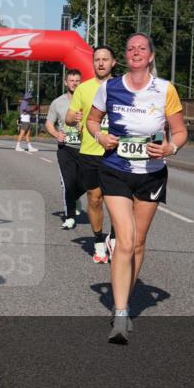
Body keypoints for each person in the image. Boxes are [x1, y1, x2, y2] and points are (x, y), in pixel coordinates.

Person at [86, 33, 187, 343]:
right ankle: (119, 314)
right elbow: (92, 120)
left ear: (151, 56)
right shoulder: (110, 87)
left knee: (139, 243)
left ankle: (124, 302)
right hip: (116, 170)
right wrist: (100, 137)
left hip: (152, 174)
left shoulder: (165, 90)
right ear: (125, 57)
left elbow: (180, 131)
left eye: (142, 49)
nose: (136, 53)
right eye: (130, 49)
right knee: (125, 241)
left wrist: (170, 148)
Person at [65, 46, 116, 263]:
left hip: (116, 153)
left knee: (117, 201)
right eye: (97, 60)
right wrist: (73, 117)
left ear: (113, 62)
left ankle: (114, 238)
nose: (101, 63)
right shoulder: (83, 89)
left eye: (105, 59)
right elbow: (68, 117)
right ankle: (98, 241)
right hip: (89, 152)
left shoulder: (122, 87)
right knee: (95, 199)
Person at [45, 69, 84, 229]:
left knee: (86, 183)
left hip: (85, 149)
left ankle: (74, 199)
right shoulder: (58, 102)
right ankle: (69, 216)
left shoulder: (88, 100)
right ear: (65, 82)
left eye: (77, 80)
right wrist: (56, 134)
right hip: (65, 148)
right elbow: (49, 123)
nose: (74, 83)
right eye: (71, 80)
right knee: (68, 183)